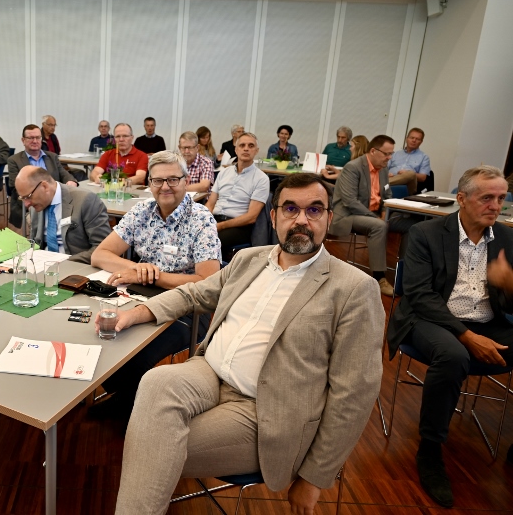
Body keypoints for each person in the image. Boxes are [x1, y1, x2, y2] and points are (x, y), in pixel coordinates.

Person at [110, 172, 383, 514]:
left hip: (265, 410)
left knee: (149, 446)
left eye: (314, 210)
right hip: (208, 372)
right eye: (290, 209)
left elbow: (354, 394)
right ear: (274, 216)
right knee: (155, 381)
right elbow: (195, 292)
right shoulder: (249, 259)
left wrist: (315, 478)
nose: (302, 219)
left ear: (329, 218)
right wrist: (141, 311)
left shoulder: (354, 288)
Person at [386, 165, 513, 508]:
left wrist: (508, 284)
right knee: (454, 354)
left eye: (501, 198)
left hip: (488, 320)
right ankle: (430, 450)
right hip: (430, 318)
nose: (495, 205)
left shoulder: (506, 238)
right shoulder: (425, 233)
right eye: (487, 197)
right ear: (462, 199)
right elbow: (419, 294)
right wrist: (467, 336)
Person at [90, 151, 221, 420]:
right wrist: (135, 269)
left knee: (137, 355)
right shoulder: (141, 211)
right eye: (158, 181)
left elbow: (208, 283)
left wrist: (153, 275)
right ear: (149, 183)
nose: (165, 187)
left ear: (186, 181)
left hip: (187, 307)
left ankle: (131, 410)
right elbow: (99, 255)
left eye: (173, 179)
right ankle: (128, 397)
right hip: (139, 297)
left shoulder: (201, 219)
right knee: (105, 334)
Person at [330, 134, 420, 296]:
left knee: (412, 224)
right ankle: (379, 278)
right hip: (349, 215)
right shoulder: (353, 167)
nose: (389, 157)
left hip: (376, 214)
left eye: (391, 153)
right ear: (373, 151)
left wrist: (386, 211)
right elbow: (350, 201)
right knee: (378, 225)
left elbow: (387, 195)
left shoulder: (383, 170)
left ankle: (405, 274)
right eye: (386, 154)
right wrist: (376, 217)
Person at [16, 166, 111, 264]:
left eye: (28, 197)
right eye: (22, 198)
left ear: (44, 186)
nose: (26, 204)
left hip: (75, 266)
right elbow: (35, 243)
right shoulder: (36, 204)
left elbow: (103, 248)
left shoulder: (85, 200)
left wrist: (62, 262)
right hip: (42, 266)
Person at [205, 132, 270, 257]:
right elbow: (210, 203)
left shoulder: (261, 179)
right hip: (215, 221)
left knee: (209, 241)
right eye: (242, 145)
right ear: (236, 149)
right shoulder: (224, 173)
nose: (246, 148)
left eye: (251, 146)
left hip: (239, 226)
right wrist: (204, 220)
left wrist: (221, 226)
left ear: (256, 151)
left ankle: (209, 274)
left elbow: (251, 217)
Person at [8, 124, 78, 230]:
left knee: (76, 219)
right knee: (39, 225)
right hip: (31, 206)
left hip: (56, 202)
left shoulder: (52, 157)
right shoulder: (14, 160)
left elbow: (63, 173)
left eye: (38, 137)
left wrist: (71, 181)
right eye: (31, 138)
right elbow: (15, 187)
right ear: (23, 140)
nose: (35, 141)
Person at [389, 128, 431, 196]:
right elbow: (383, 168)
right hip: (391, 179)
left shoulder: (424, 157)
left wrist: (407, 173)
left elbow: (423, 178)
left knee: (410, 174)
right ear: (406, 139)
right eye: (412, 137)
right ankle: (384, 183)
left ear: (421, 142)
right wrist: (387, 174)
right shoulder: (395, 154)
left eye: (417, 139)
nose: (414, 140)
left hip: (408, 185)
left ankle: (381, 184)